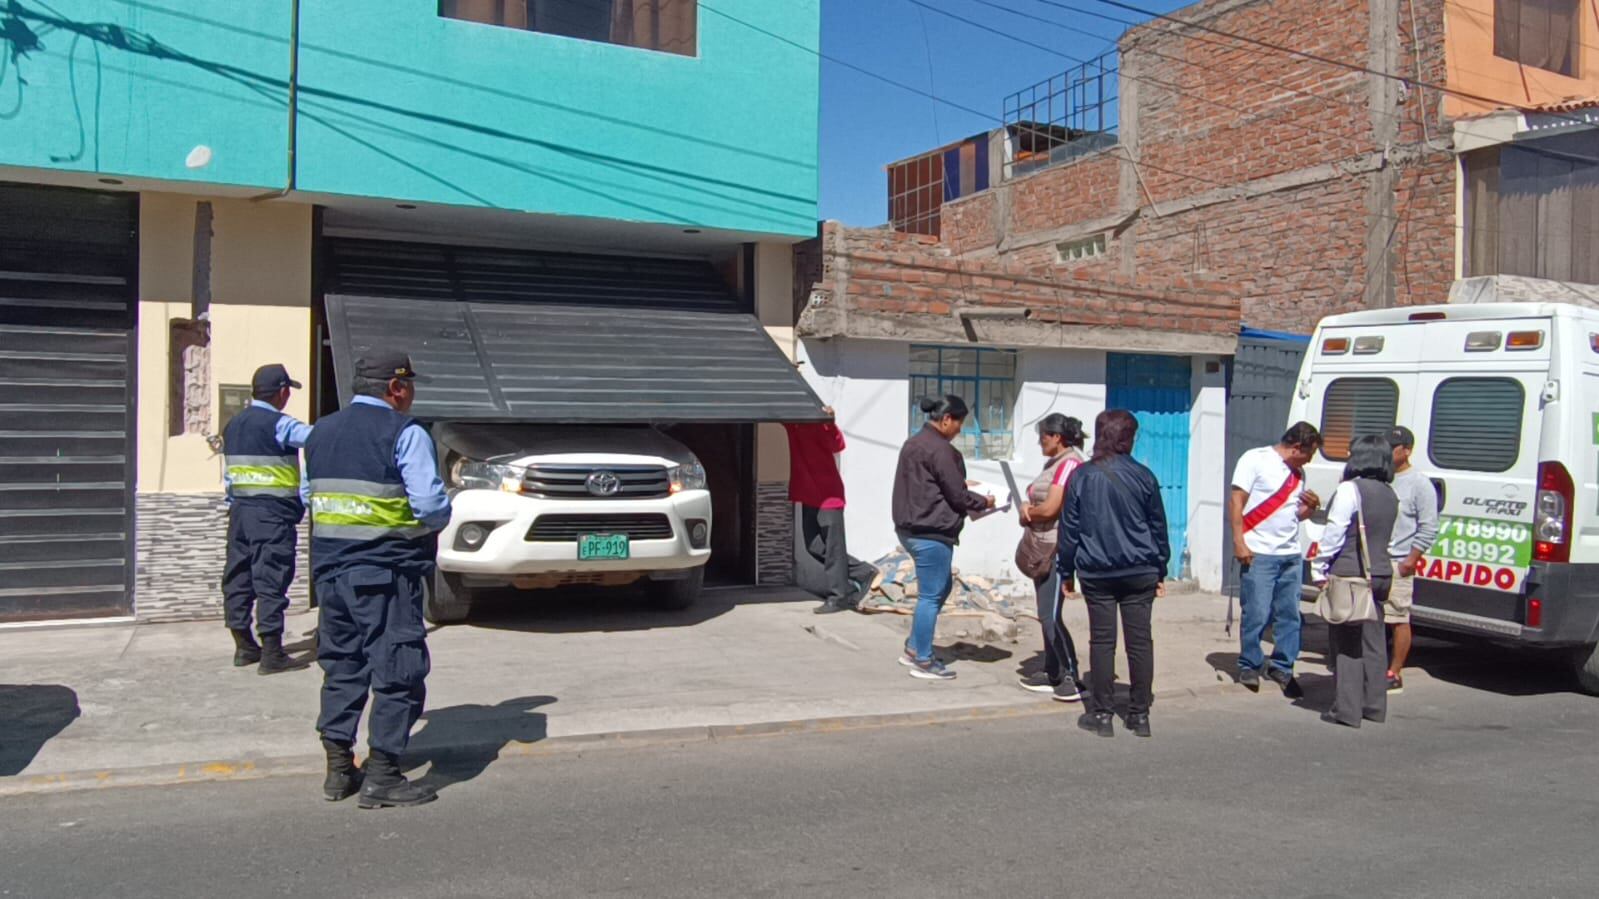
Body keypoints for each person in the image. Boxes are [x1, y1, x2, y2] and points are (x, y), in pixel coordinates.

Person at [305, 352, 451, 808]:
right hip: (385, 574)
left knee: (342, 667)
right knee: (398, 670)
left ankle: (338, 770)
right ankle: (383, 775)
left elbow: (310, 497)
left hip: (331, 575)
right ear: (396, 387)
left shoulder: (319, 433)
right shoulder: (405, 434)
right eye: (409, 386)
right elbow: (430, 506)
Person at [1057, 409, 1170, 738]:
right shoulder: (1145, 476)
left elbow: (1070, 531)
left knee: (1102, 642)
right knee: (1140, 643)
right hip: (1140, 570)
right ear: (1129, 438)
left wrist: (1067, 572)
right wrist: (1160, 566)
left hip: (1097, 571)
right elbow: (1158, 528)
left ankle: (1102, 714)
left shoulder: (1081, 476)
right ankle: (1139, 715)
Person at [891, 395, 995, 681]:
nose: (960, 430)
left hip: (913, 528)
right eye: (960, 423)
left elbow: (936, 483)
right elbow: (957, 495)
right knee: (931, 594)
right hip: (930, 531)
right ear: (947, 419)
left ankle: (915, 646)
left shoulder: (915, 443)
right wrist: (985, 502)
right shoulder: (939, 449)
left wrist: (964, 488)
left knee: (940, 587)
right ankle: (923, 658)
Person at [220, 363, 313, 675]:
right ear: (283, 392)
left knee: (239, 576)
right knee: (270, 577)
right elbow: (316, 440)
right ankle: (272, 653)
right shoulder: (281, 424)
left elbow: (230, 476)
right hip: (272, 514)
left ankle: (244, 645)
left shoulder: (233, 425)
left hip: (240, 512)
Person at [1230, 422, 1323, 698]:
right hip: (1259, 550)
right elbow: (1237, 501)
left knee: (1289, 614)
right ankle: (1250, 663)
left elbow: (1293, 513)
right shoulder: (1254, 459)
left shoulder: (1298, 473)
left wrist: (1309, 509)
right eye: (1309, 453)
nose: (1310, 459)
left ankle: (1283, 665)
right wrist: (1239, 541)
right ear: (1296, 448)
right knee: (1256, 611)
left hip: (1290, 552)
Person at [1311, 435, 1397, 728]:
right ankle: (1374, 705)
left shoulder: (1350, 490)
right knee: (1374, 641)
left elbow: (1334, 531)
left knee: (1346, 643)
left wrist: (1319, 568)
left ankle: (1346, 709)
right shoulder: (1389, 493)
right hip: (1381, 573)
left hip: (1351, 573)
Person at [1015, 413, 1087, 702]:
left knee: (1050, 615)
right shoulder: (1055, 463)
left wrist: (1027, 512)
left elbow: (1052, 507)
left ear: (1057, 437)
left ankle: (1070, 674)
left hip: (1056, 548)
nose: (1040, 441)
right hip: (1042, 546)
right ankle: (1052, 669)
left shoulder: (1070, 463)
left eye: (1043, 436)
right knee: (1045, 613)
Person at [786, 407, 877, 615]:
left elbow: (838, 444)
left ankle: (839, 596)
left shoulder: (821, 422)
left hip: (828, 495)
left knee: (833, 548)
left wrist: (829, 421)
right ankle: (864, 572)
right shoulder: (793, 421)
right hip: (807, 493)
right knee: (814, 546)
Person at [1385, 426, 1438, 694]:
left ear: (1406, 451)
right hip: (1376, 559)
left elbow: (1429, 527)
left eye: (1393, 447)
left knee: (1398, 617)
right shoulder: (1381, 477)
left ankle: (1395, 672)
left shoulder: (1419, 483)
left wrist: (1411, 559)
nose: (1387, 451)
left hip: (1399, 561)